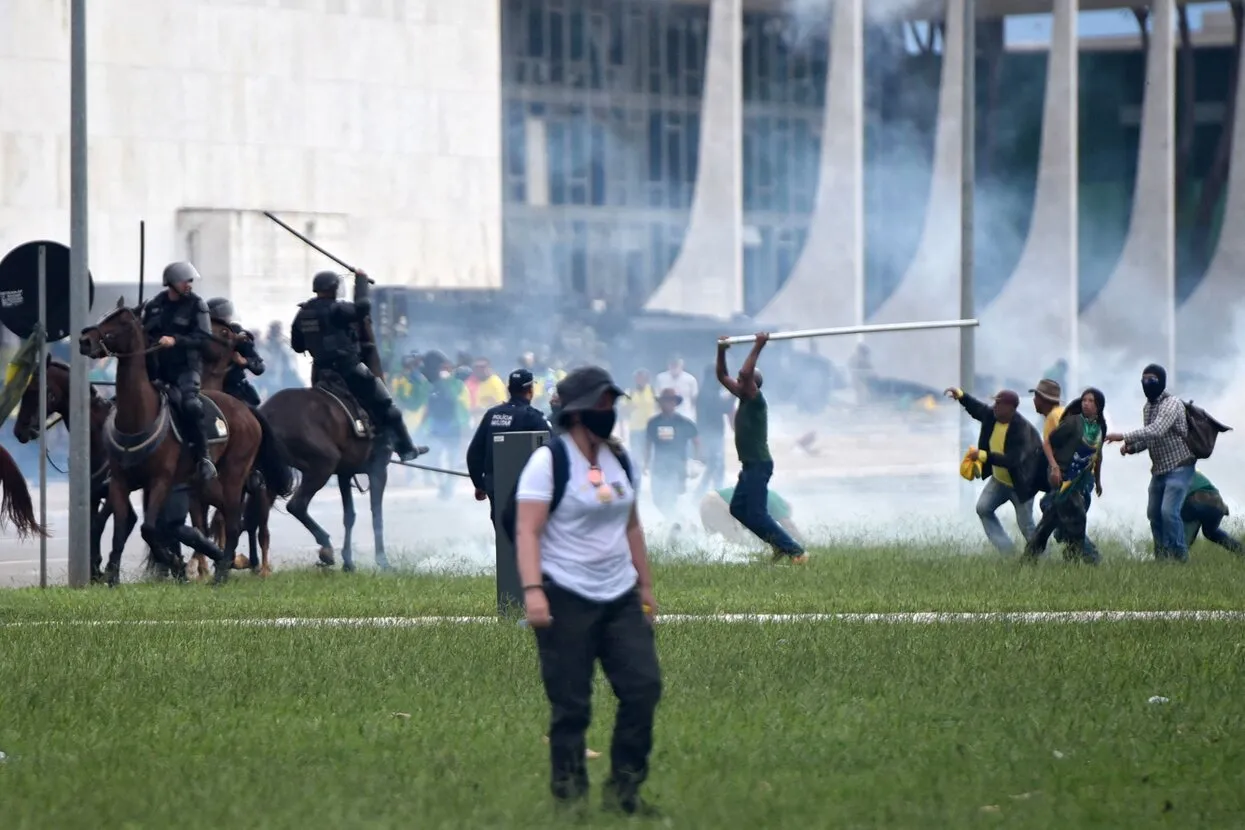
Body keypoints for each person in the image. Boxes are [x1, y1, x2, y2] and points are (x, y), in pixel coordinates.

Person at [513, 366, 661, 816]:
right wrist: (534, 591)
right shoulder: (549, 462)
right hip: (565, 595)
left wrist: (646, 586)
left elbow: (631, 525)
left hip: (619, 595)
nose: (608, 411)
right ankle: (571, 798)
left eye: (611, 403)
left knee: (643, 688)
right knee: (572, 705)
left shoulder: (620, 459)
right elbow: (527, 531)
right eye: (601, 404)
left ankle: (625, 792)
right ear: (577, 412)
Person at [289, 270, 421, 462]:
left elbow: (297, 345)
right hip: (349, 370)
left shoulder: (303, 313)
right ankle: (406, 449)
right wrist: (361, 281)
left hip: (320, 373)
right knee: (387, 406)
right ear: (334, 288)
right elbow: (362, 308)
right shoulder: (337, 310)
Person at [716, 333, 807, 563]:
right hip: (749, 466)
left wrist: (758, 345)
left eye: (743, 380)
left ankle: (796, 552)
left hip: (759, 464)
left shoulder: (756, 400)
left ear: (753, 386)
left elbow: (746, 373)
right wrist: (721, 350)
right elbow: (721, 375)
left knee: (757, 513)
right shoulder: (743, 396)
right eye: (739, 380)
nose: (738, 381)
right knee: (738, 509)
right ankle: (778, 545)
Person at [1105, 363, 1197, 562]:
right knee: (1154, 513)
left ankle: (1180, 556)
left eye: (1152, 380)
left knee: (1168, 512)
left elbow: (1157, 429)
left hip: (1180, 466)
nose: (1147, 384)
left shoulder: (1172, 403)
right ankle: (1162, 557)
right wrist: (1133, 448)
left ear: (1161, 382)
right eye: (1144, 380)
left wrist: (1124, 436)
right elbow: (1150, 439)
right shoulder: (1148, 407)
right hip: (1159, 469)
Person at [140, 261, 218, 481]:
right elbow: (146, 333)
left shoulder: (197, 305)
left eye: (191, 281)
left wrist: (176, 340)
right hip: (158, 369)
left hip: (186, 369)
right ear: (172, 283)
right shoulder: (155, 305)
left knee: (191, 405)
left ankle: (204, 457)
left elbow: (204, 338)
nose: (189, 285)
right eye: (186, 280)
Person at [944, 386, 1042, 553]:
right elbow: (978, 408)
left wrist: (982, 456)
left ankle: (1043, 556)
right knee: (983, 508)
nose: (995, 407)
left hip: (1022, 484)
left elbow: (1013, 460)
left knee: (1026, 524)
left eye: (999, 404)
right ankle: (1007, 552)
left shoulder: (1021, 429)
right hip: (999, 480)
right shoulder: (992, 416)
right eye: (995, 403)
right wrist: (961, 396)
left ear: (1011, 409)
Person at [1024, 388, 1106, 564]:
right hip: (1063, 477)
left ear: (1098, 405)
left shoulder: (1099, 428)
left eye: (1091, 401)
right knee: (1078, 518)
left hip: (1081, 481)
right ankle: (1089, 560)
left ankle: (1029, 557)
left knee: (1049, 522)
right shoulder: (1073, 423)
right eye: (1084, 400)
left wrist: (1098, 481)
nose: (1086, 403)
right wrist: (1053, 467)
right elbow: (1048, 443)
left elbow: (1097, 456)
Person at [465, 369, 552, 519]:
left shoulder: (492, 415)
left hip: (495, 484)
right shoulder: (534, 417)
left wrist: (479, 484)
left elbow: (474, 453)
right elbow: (550, 451)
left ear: (509, 389)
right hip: (525, 487)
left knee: (501, 529)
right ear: (530, 390)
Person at [644, 388, 700, 524]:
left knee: (672, 496)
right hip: (658, 466)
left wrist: (696, 460)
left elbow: (697, 440)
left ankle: (676, 525)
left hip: (678, 466)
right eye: (665, 401)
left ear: (675, 403)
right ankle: (680, 521)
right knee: (657, 498)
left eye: (671, 401)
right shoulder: (653, 423)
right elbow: (648, 444)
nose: (668, 404)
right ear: (660, 403)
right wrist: (645, 463)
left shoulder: (683, 422)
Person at [700, 485, 804, 548]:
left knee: (713, 542)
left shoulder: (764, 503)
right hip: (719, 504)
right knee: (737, 546)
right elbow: (790, 527)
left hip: (707, 501)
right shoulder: (777, 502)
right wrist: (803, 544)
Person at [206, 297, 265, 407]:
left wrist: (244, 361)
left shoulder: (239, 335)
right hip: (205, 389)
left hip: (235, 390)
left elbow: (259, 367)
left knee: (258, 421)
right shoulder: (202, 335)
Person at [694, 364, 734, 498]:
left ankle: (702, 494)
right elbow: (724, 408)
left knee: (713, 465)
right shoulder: (708, 393)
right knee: (716, 465)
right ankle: (715, 493)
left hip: (710, 433)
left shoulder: (706, 391)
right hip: (711, 434)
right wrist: (734, 395)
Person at [1182, 472, 1243, 554]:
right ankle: (1241, 550)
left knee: (1181, 516)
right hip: (1218, 505)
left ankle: (1179, 553)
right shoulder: (1193, 471)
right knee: (1210, 532)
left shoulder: (1176, 475)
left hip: (1197, 502)